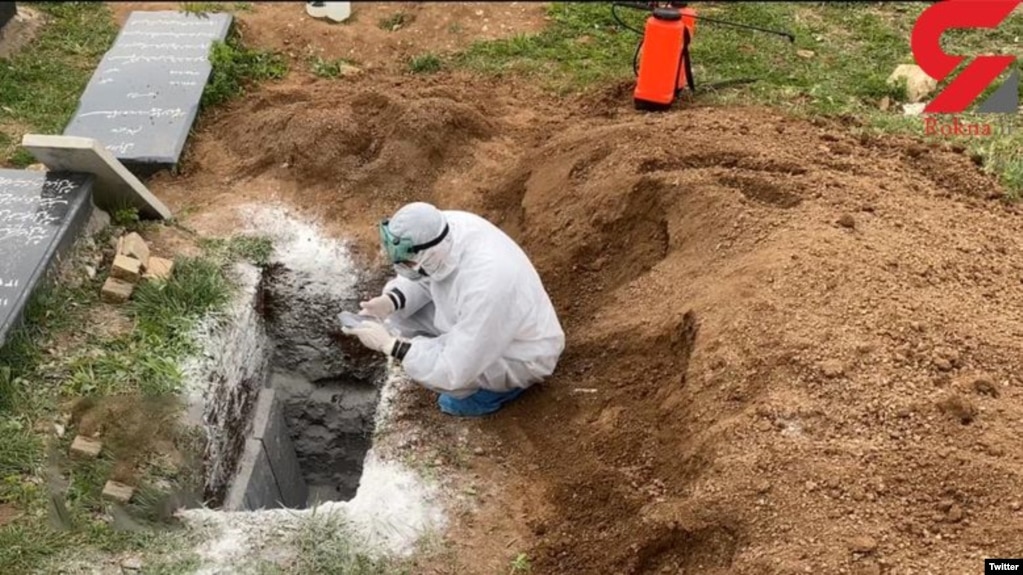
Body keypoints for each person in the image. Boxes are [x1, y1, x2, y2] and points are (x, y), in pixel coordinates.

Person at [341, 201, 565, 417]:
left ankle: (503, 390)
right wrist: (391, 301)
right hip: (475, 318)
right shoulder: (439, 230)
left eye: (407, 263)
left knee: (452, 397)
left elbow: (453, 370)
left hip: (520, 351)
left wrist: (392, 346)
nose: (403, 268)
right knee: (397, 317)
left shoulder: (488, 284)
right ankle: (422, 350)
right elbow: (425, 275)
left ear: (430, 254)